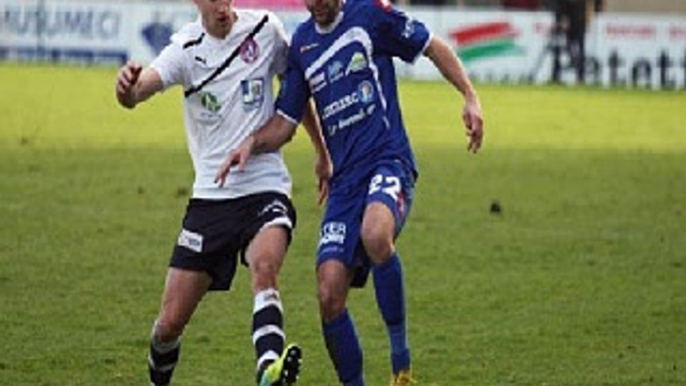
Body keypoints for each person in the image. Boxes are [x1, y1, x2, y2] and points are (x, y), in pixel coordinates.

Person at [215, 1, 484, 385]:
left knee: (375, 234)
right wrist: (251, 143)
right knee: (328, 293)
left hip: (387, 161)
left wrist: (470, 97)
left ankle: (401, 367)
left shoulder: (371, 14)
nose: (317, 3)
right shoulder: (303, 45)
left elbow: (431, 45)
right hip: (344, 185)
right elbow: (285, 124)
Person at [114, 1, 330, 385]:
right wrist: (127, 87)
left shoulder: (265, 28)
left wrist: (321, 152)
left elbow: (296, 96)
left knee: (265, 266)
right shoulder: (185, 48)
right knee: (168, 325)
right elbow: (139, 91)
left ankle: (268, 369)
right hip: (211, 199)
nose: (221, 6)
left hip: (265, 185)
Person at [549, 0, 602, 84]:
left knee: (576, 49)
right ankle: (558, 75)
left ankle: (578, 76)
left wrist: (560, 18)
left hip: (576, 20)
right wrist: (560, 19)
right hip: (574, 20)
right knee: (562, 48)